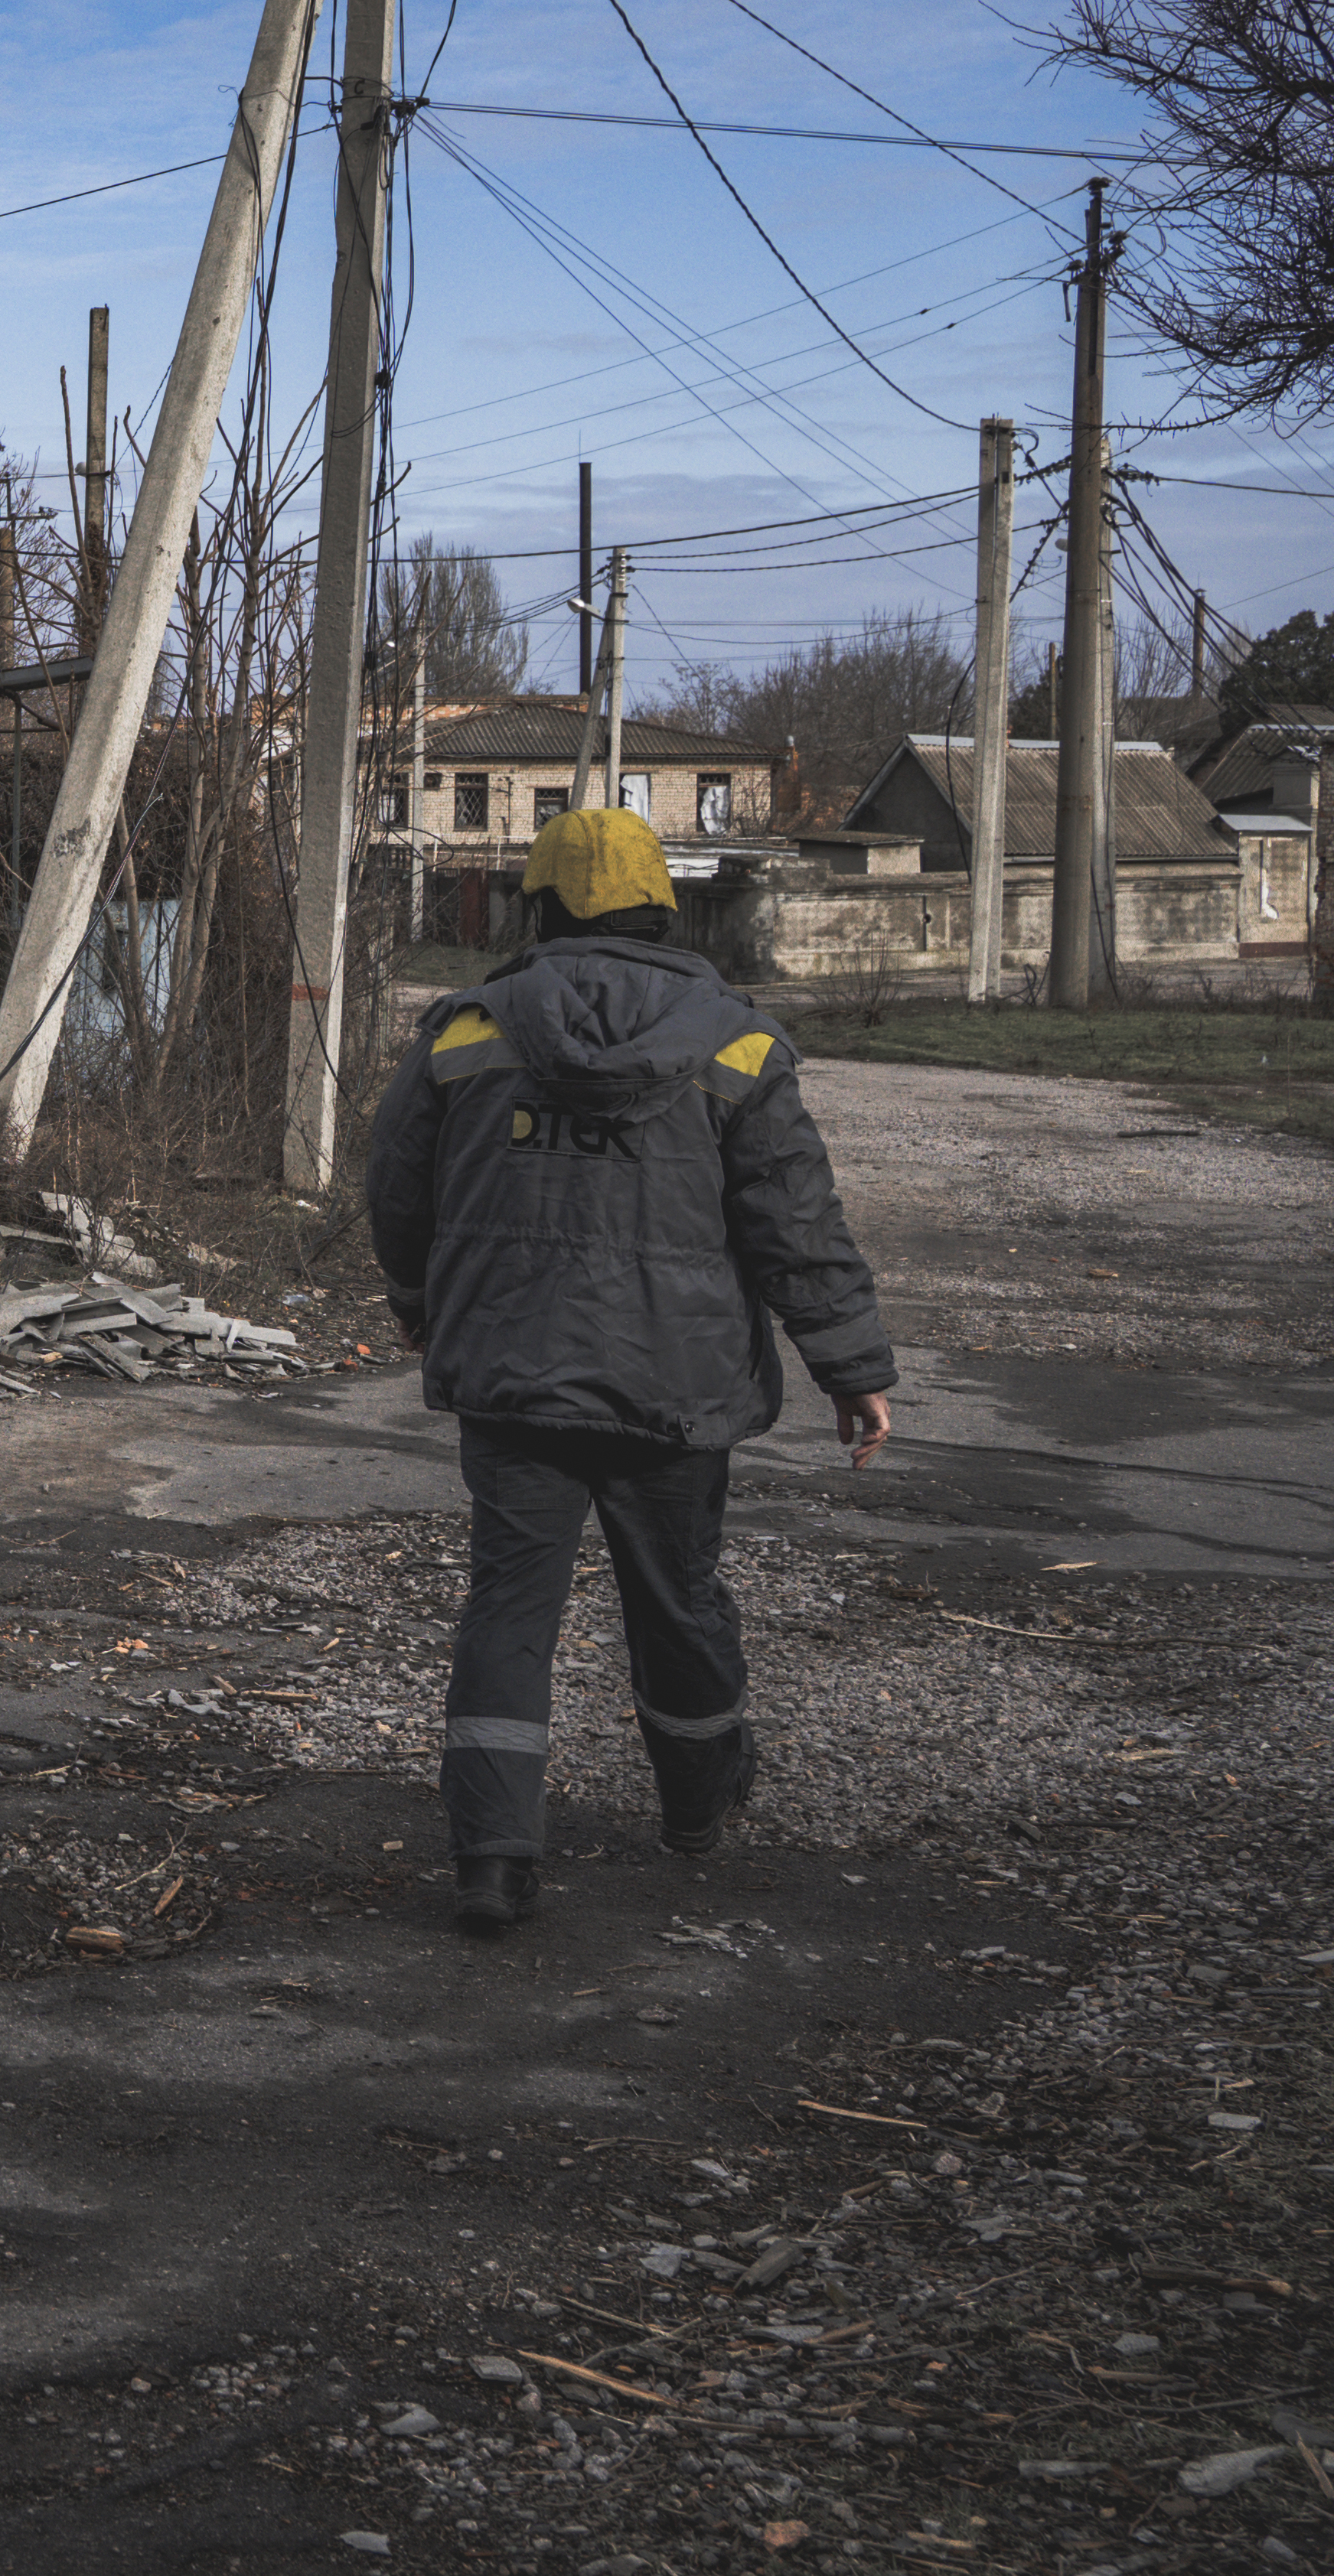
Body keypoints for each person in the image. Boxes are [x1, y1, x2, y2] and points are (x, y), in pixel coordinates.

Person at [363, 804, 894, 1939]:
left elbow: (401, 1190)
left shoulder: (468, 1031)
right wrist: (849, 1366)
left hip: (515, 1378)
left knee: (510, 1607)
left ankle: (494, 1864)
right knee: (678, 1595)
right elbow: (794, 1221)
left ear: (538, 905)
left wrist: (420, 1304)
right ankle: (698, 1809)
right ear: (661, 906)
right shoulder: (737, 1042)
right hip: (679, 1385)